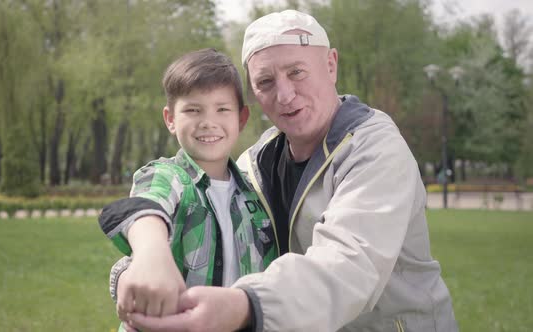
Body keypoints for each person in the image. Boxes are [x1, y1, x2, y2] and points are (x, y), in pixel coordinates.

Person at [110, 10, 458, 332]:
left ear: (331, 64)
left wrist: (246, 304)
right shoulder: (254, 164)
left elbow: (350, 264)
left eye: (297, 72)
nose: (285, 95)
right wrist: (137, 268)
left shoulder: (375, 148)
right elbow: (172, 208)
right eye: (265, 82)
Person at [98, 48, 277, 331]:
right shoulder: (167, 176)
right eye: (193, 110)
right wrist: (150, 253)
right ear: (170, 119)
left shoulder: (255, 195)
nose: (208, 122)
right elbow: (145, 207)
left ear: (241, 119)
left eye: (222, 109)